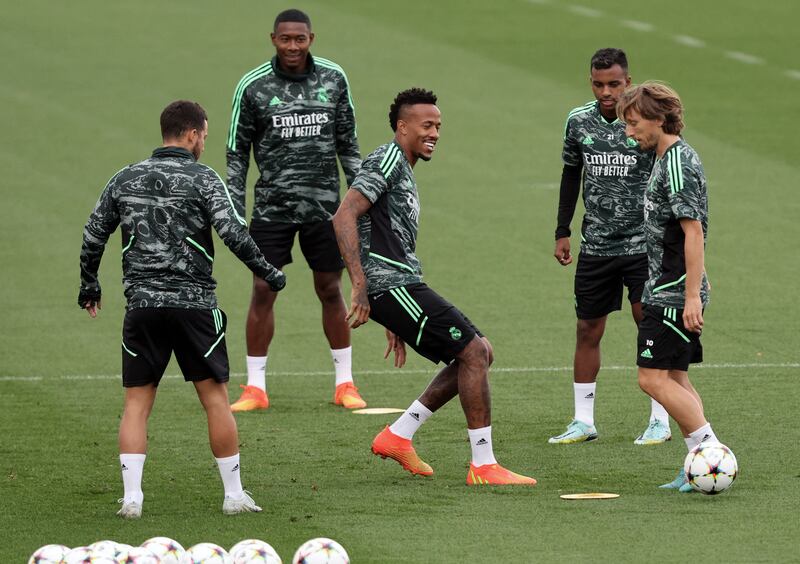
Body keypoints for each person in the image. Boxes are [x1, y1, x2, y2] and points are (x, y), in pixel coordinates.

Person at [78, 100, 286, 517]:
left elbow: (93, 232)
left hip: (142, 307)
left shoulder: (125, 177)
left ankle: (132, 498)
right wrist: (269, 272)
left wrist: (89, 283)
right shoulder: (202, 178)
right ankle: (233, 496)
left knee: (137, 403)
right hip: (194, 307)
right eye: (204, 136)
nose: (204, 143)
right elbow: (233, 233)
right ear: (192, 134)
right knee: (215, 400)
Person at [332, 88, 536, 486]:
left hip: (398, 285)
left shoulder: (403, 166)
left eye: (438, 126)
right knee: (474, 351)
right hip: (391, 284)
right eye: (427, 126)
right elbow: (344, 216)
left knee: (479, 353)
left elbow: (380, 231)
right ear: (402, 126)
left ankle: (398, 435)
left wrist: (392, 312)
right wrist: (363, 286)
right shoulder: (387, 159)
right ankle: (483, 465)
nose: (435, 133)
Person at [226, 8, 364, 412]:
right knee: (263, 289)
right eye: (285, 39)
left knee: (330, 288)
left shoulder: (334, 79)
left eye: (299, 39)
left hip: (326, 208)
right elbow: (237, 153)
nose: (292, 46)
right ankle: (255, 387)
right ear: (273, 39)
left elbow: (348, 144)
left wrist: (359, 200)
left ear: (311, 39)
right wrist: (235, 210)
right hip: (272, 209)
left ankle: (345, 383)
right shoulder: (253, 86)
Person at [550, 48, 670, 445]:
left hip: (642, 246)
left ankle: (660, 419)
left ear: (628, 81)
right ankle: (583, 421)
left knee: (647, 323)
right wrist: (562, 230)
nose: (606, 92)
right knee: (587, 329)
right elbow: (571, 174)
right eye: (599, 84)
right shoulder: (578, 121)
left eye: (614, 84)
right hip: (596, 246)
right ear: (591, 82)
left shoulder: (642, 123)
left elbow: (665, 172)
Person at [617, 81, 718, 491]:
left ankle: (710, 451)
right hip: (666, 286)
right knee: (674, 378)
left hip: (675, 290)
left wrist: (691, 295)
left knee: (651, 378)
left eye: (634, 123)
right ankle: (696, 460)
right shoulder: (664, 156)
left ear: (659, 119)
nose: (629, 132)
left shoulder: (676, 163)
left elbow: (693, 232)